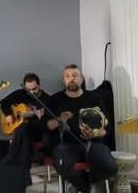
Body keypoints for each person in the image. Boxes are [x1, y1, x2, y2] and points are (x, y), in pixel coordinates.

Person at [46, 64, 117, 193]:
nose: (71, 79)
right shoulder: (55, 99)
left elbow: (107, 128)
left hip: (93, 144)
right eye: (67, 76)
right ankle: (85, 188)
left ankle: (80, 184)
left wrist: (96, 134)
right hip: (65, 146)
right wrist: (60, 119)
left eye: (75, 75)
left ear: (81, 78)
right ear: (64, 80)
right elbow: (48, 125)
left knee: (110, 167)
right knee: (64, 166)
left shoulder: (94, 98)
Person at [0, 73, 51, 181]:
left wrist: (40, 117)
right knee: (24, 134)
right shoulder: (20, 93)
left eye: (34, 89)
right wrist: (8, 114)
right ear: (24, 87)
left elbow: (47, 123)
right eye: (28, 90)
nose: (31, 92)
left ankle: (11, 157)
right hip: (23, 132)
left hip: (37, 131)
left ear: (39, 85)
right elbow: (4, 102)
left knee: (23, 129)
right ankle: (24, 174)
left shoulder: (47, 100)